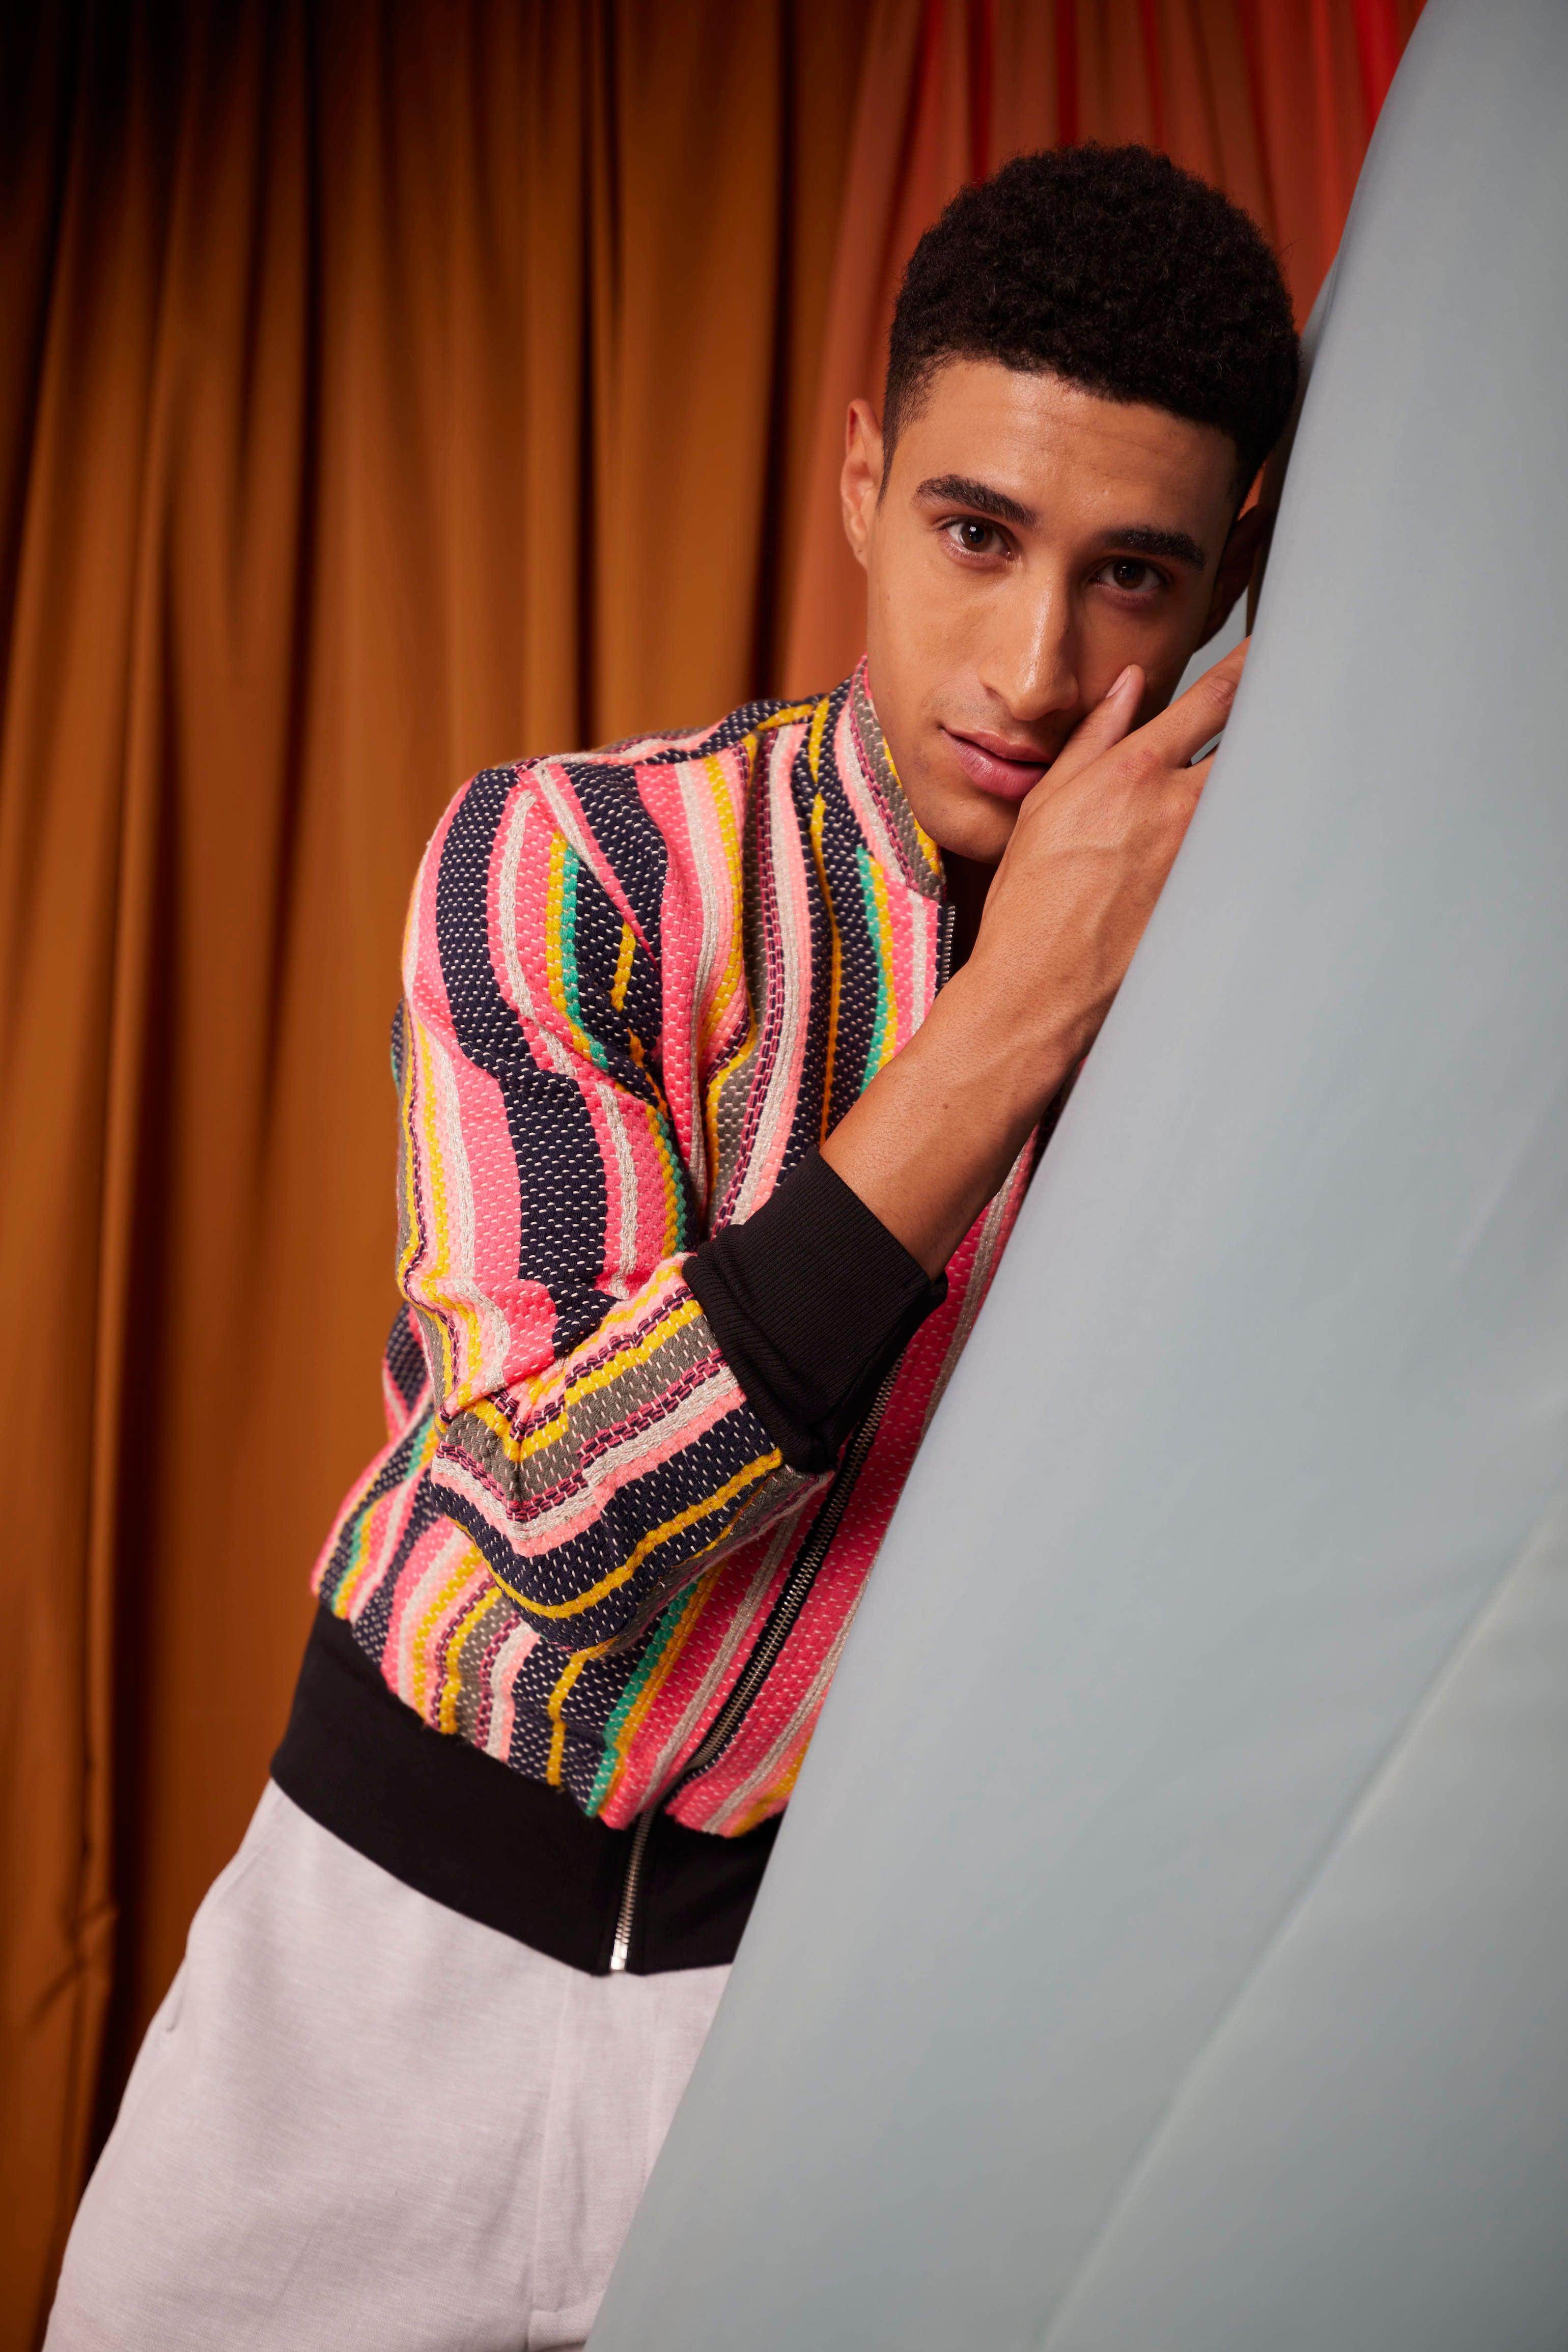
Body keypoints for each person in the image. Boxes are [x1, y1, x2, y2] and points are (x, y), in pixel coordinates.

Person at [48, 143, 1298, 2349]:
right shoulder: (573, 859)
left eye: (1130, 576)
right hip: (376, 1959)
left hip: (824, 2029)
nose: (1033, 667)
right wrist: (1014, 1017)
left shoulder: (1246, 1000)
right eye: (976, 532)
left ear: (1227, 580)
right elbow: (544, 1512)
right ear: (861, 482)